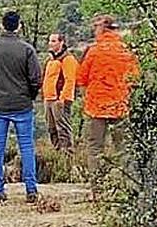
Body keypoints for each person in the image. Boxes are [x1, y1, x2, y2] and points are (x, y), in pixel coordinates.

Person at [0, 11, 41, 204]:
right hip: (22, 104)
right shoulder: (27, 50)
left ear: (1, 26)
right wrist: (30, 95)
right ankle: (31, 189)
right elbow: (36, 79)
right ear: (19, 26)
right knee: (27, 147)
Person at [76, 15, 139, 172]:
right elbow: (136, 78)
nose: (94, 30)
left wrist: (87, 98)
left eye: (96, 27)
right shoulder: (126, 51)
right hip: (120, 106)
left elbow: (81, 79)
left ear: (103, 28)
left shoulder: (94, 51)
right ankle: (129, 186)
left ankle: (97, 188)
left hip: (96, 107)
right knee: (124, 149)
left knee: (95, 149)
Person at [42, 33, 78, 153]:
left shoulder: (68, 59)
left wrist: (62, 99)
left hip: (59, 100)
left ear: (61, 42)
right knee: (52, 129)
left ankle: (67, 156)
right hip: (48, 99)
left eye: (53, 41)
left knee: (63, 129)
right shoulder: (51, 60)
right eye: (49, 41)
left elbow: (70, 80)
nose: (50, 43)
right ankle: (57, 154)